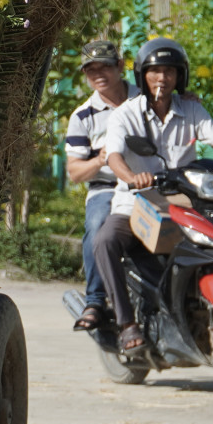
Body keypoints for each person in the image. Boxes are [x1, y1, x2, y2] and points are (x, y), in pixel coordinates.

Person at [92, 38, 213, 352]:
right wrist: (131, 177)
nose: (162, 78)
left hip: (187, 201)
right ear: (142, 75)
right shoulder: (124, 115)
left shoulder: (192, 108)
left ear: (179, 75)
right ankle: (127, 324)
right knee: (105, 240)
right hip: (137, 203)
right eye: (155, 71)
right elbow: (113, 155)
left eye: (169, 71)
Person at [65, 40, 141, 331]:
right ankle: (95, 300)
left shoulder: (143, 100)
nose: (98, 74)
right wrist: (100, 160)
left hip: (148, 184)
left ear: (120, 67)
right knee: (97, 226)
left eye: (105, 66)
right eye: (90, 69)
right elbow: (74, 172)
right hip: (106, 189)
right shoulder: (82, 116)